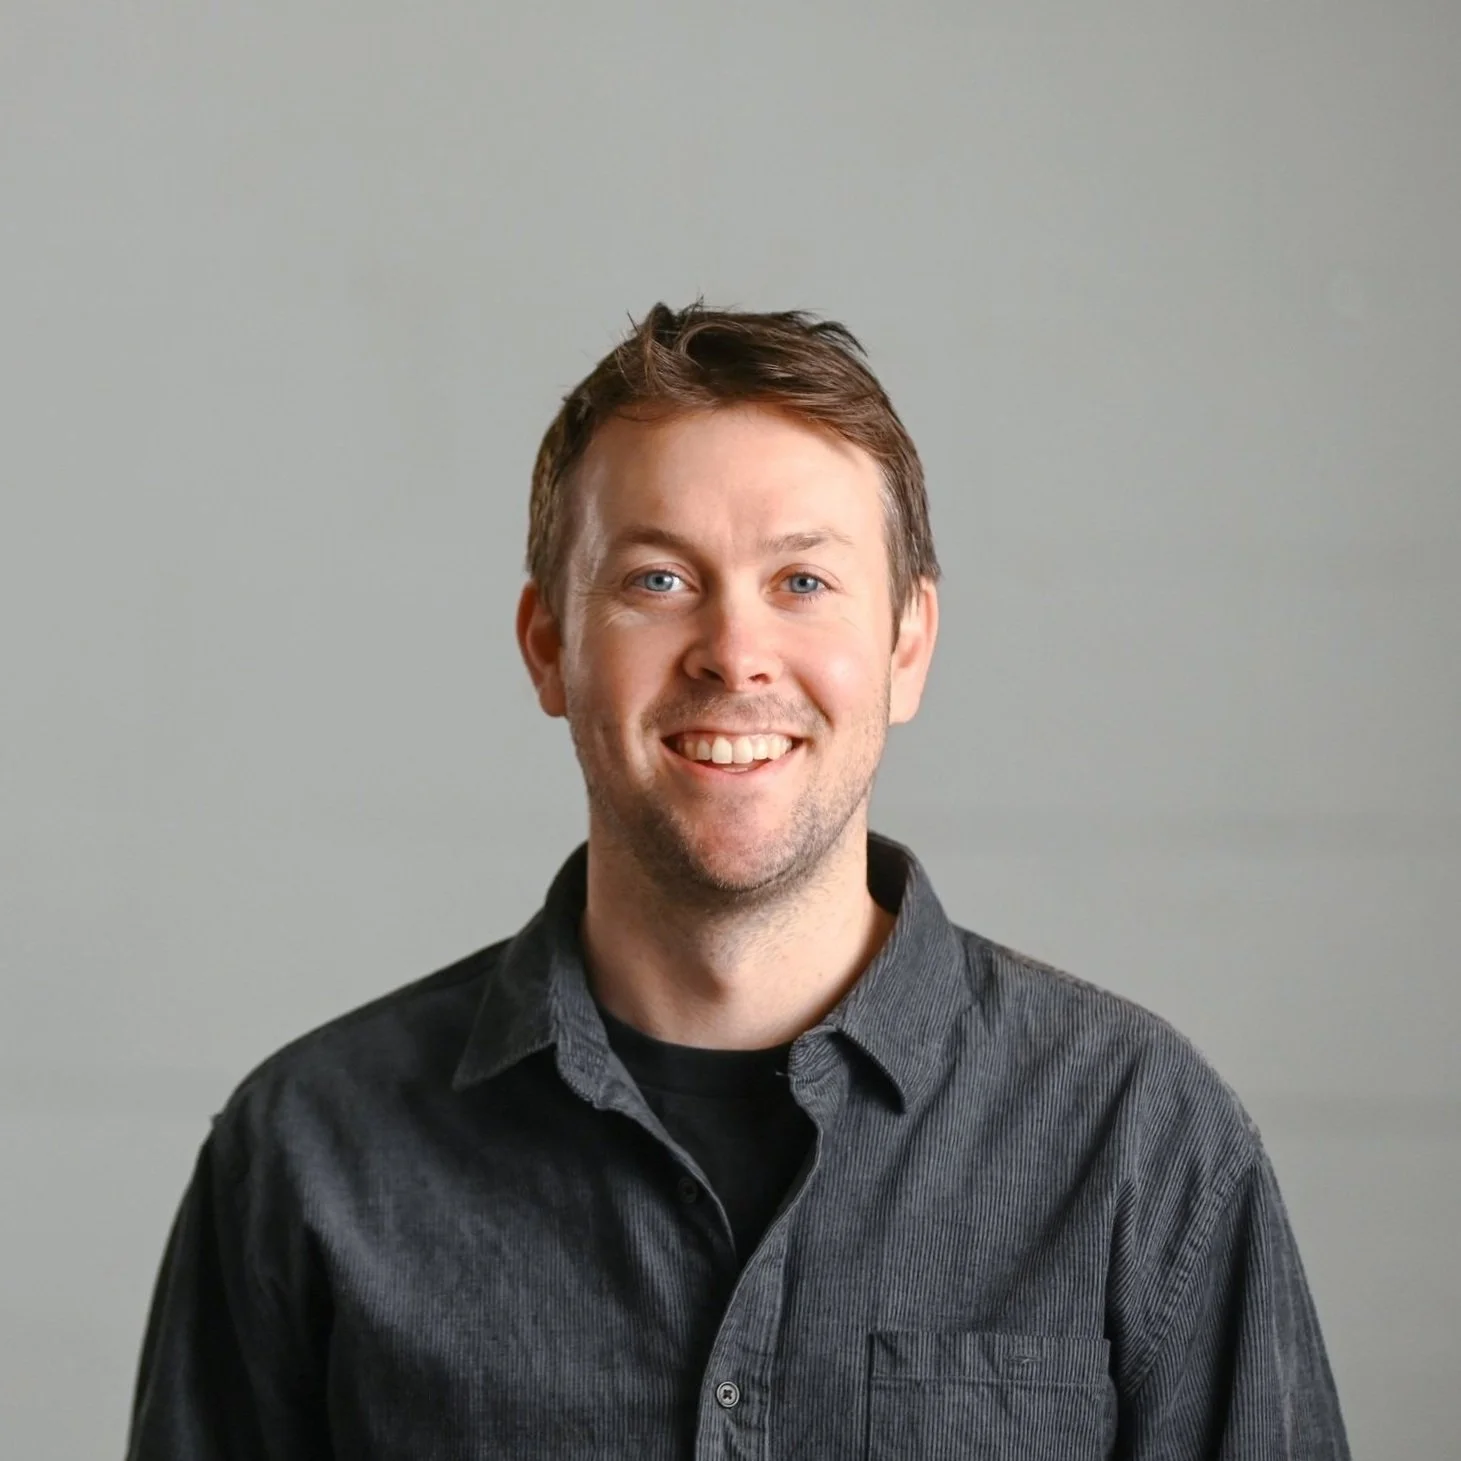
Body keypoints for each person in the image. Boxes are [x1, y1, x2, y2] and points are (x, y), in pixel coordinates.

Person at [126, 302, 1350, 1459]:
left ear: (907, 647)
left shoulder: (1142, 1142)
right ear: (549, 644)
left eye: (803, 582)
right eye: (657, 580)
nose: (735, 653)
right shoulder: (308, 1156)